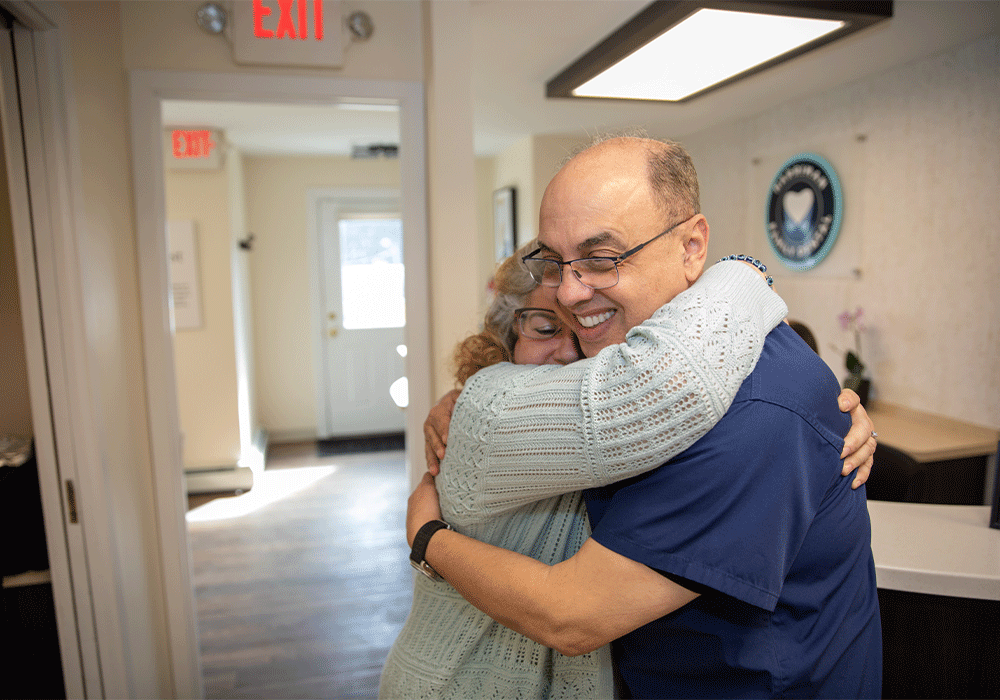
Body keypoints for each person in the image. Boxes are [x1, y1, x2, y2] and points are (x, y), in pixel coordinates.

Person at [405, 136, 881, 698]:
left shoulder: (752, 415)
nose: (571, 292)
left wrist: (424, 535)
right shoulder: (617, 362)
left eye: (602, 259)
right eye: (557, 264)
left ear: (691, 247)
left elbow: (573, 615)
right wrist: (460, 407)